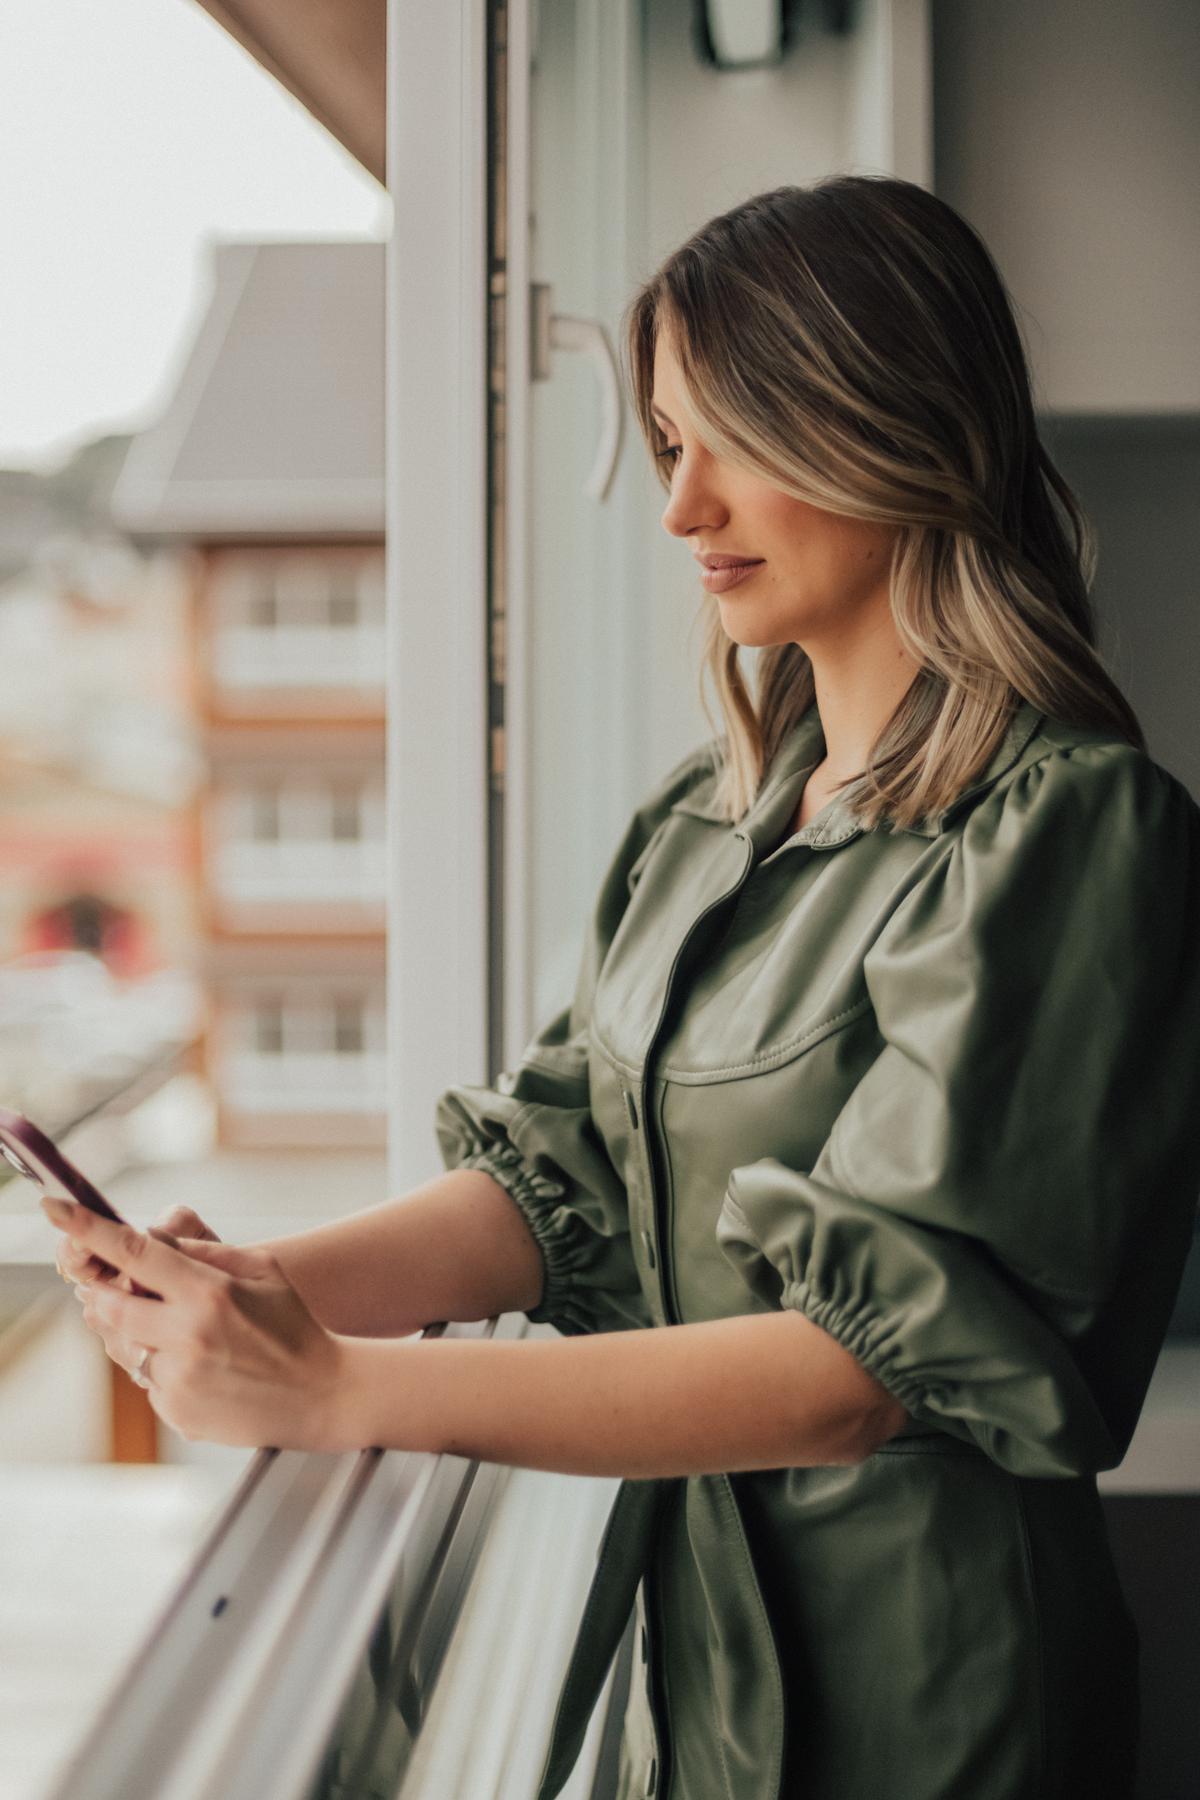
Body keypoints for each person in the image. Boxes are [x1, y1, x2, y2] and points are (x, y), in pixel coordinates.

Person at [49, 175, 1200, 1800]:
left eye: (737, 438)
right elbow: (570, 1176)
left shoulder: (1068, 832)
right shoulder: (701, 826)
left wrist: (340, 1386)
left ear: (893, 428)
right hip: (700, 1669)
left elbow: (856, 1376)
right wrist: (259, 1286)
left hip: (939, 1705)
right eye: (669, 443)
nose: (681, 507)